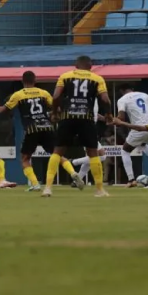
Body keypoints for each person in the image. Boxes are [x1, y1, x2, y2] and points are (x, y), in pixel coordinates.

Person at [0, 71, 73, 191]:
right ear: (35, 80)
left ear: (22, 81)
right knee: (57, 154)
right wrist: (53, 115)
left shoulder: (18, 95)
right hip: (47, 127)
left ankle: (35, 184)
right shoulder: (43, 93)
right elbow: (57, 108)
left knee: (24, 158)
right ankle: (73, 174)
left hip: (32, 129)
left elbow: (2, 110)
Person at [43, 55, 111, 197]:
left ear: (76, 65)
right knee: (93, 152)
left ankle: (48, 188)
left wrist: (55, 113)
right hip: (86, 118)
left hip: (68, 117)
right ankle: (99, 190)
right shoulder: (97, 78)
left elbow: (55, 97)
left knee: (57, 151)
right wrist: (109, 114)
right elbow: (105, 99)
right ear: (90, 66)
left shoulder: (65, 76)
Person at [115, 84, 148, 188]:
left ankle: (131, 179)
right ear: (132, 89)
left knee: (125, 151)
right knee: (142, 145)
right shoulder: (144, 94)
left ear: (121, 91)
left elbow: (121, 117)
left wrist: (114, 120)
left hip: (139, 128)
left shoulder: (122, 99)